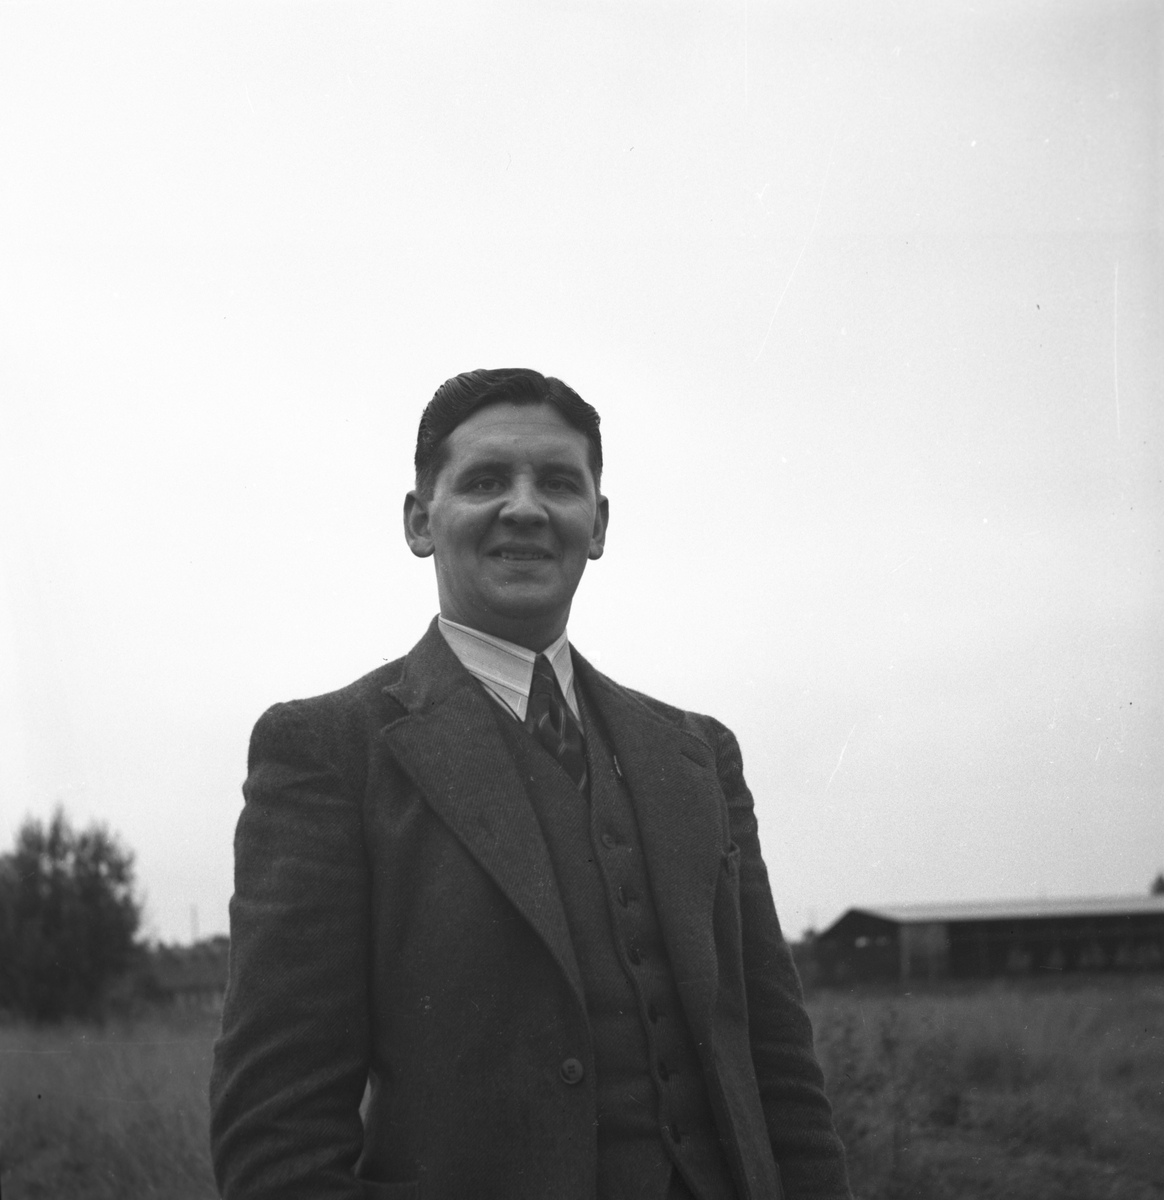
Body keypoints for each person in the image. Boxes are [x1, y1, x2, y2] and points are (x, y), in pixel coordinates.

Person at [210, 368, 851, 1200]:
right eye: (484, 481)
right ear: (419, 521)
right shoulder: (328, 752)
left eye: (557, 482)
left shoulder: (699, 754)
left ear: (598, 524)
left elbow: (784, 1078)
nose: (524, 507)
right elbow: (277, 1151)